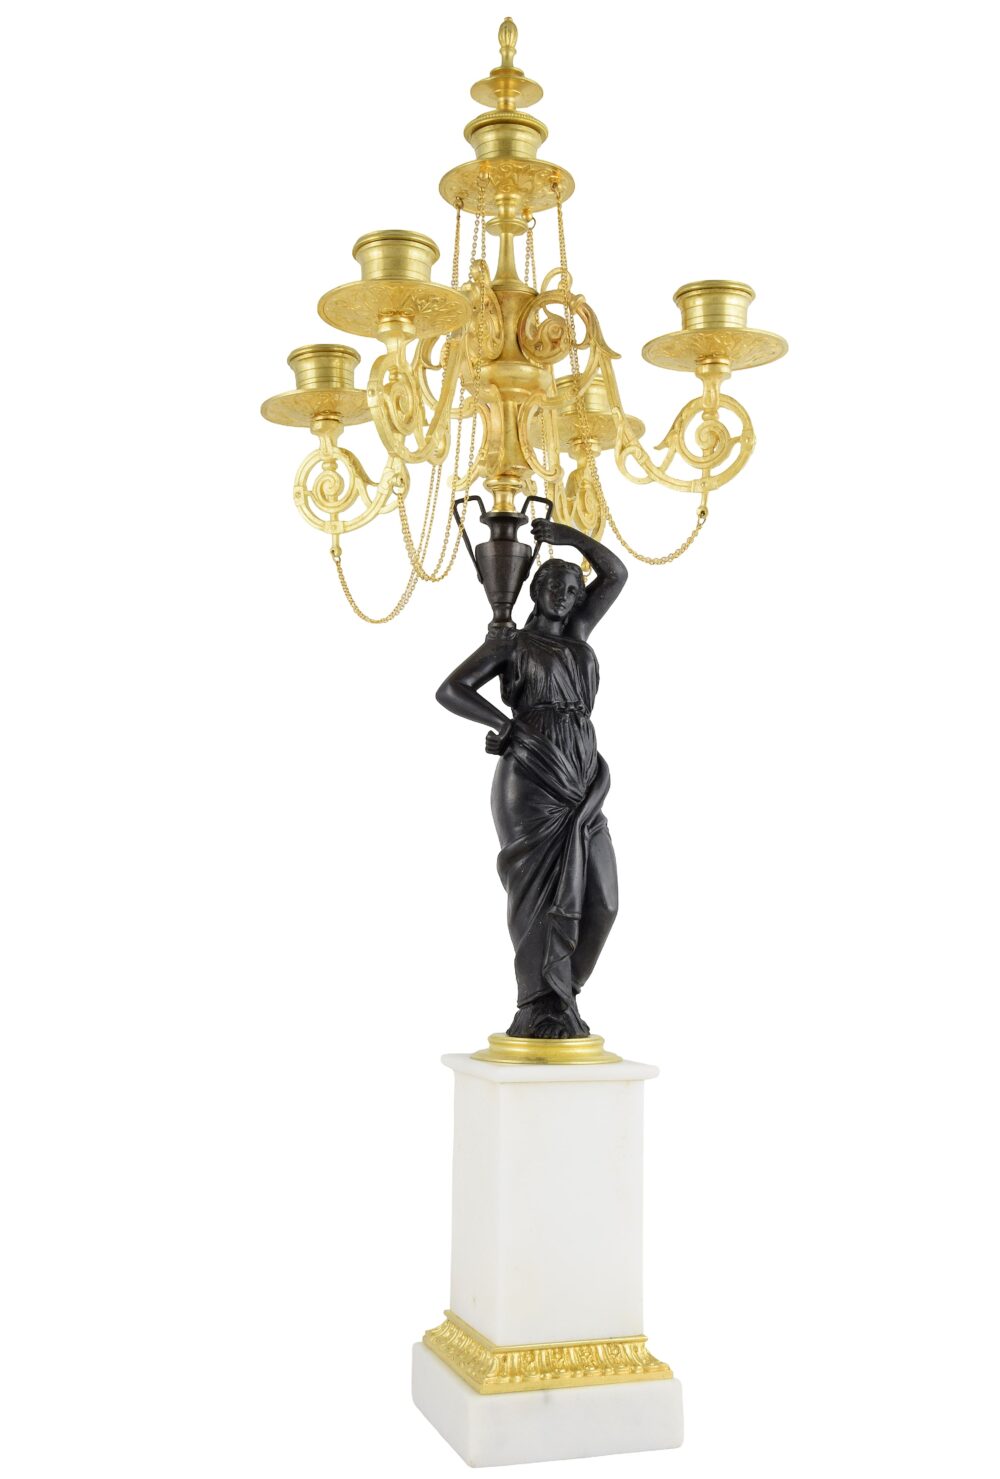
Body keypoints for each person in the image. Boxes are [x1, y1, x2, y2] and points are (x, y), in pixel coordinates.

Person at [436, 518, 628, 1038]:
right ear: (535, 590)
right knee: (538, 892)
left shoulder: (580, 636)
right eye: (553, 586)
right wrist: (503, 725)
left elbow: (615, 574)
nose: (564, 596)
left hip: (581, 770)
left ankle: (562, 992)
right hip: (531, 774)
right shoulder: (511, 642)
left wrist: (569, 537)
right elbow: (452, 690)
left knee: (603, 901)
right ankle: (541, 1004)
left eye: (572, 590)